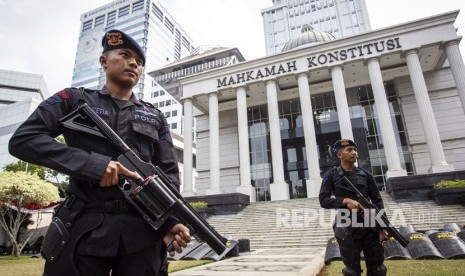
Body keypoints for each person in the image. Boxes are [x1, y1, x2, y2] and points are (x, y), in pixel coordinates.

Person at [9, 29, 190, 276]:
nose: (134, 63)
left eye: (139, 61)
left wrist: (169, 222)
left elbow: (169, 178)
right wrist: (93, 165)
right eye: (125, 55)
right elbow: (24, 140)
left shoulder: (155, 117)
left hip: (142, 233)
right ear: (103, 61)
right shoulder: (73, 99)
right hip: (83, 227)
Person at [319, 139, 389, 276]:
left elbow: (377, 201)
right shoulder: (331, 175)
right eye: (349, 150)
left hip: (370, 224)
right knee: (351, 271)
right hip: (347, 226)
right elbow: (323, 200)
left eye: (355, 150)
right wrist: (345, 201)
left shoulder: (366, 175)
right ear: (340, 155)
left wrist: (383, 227)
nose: (354, 153)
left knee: (378, 269)